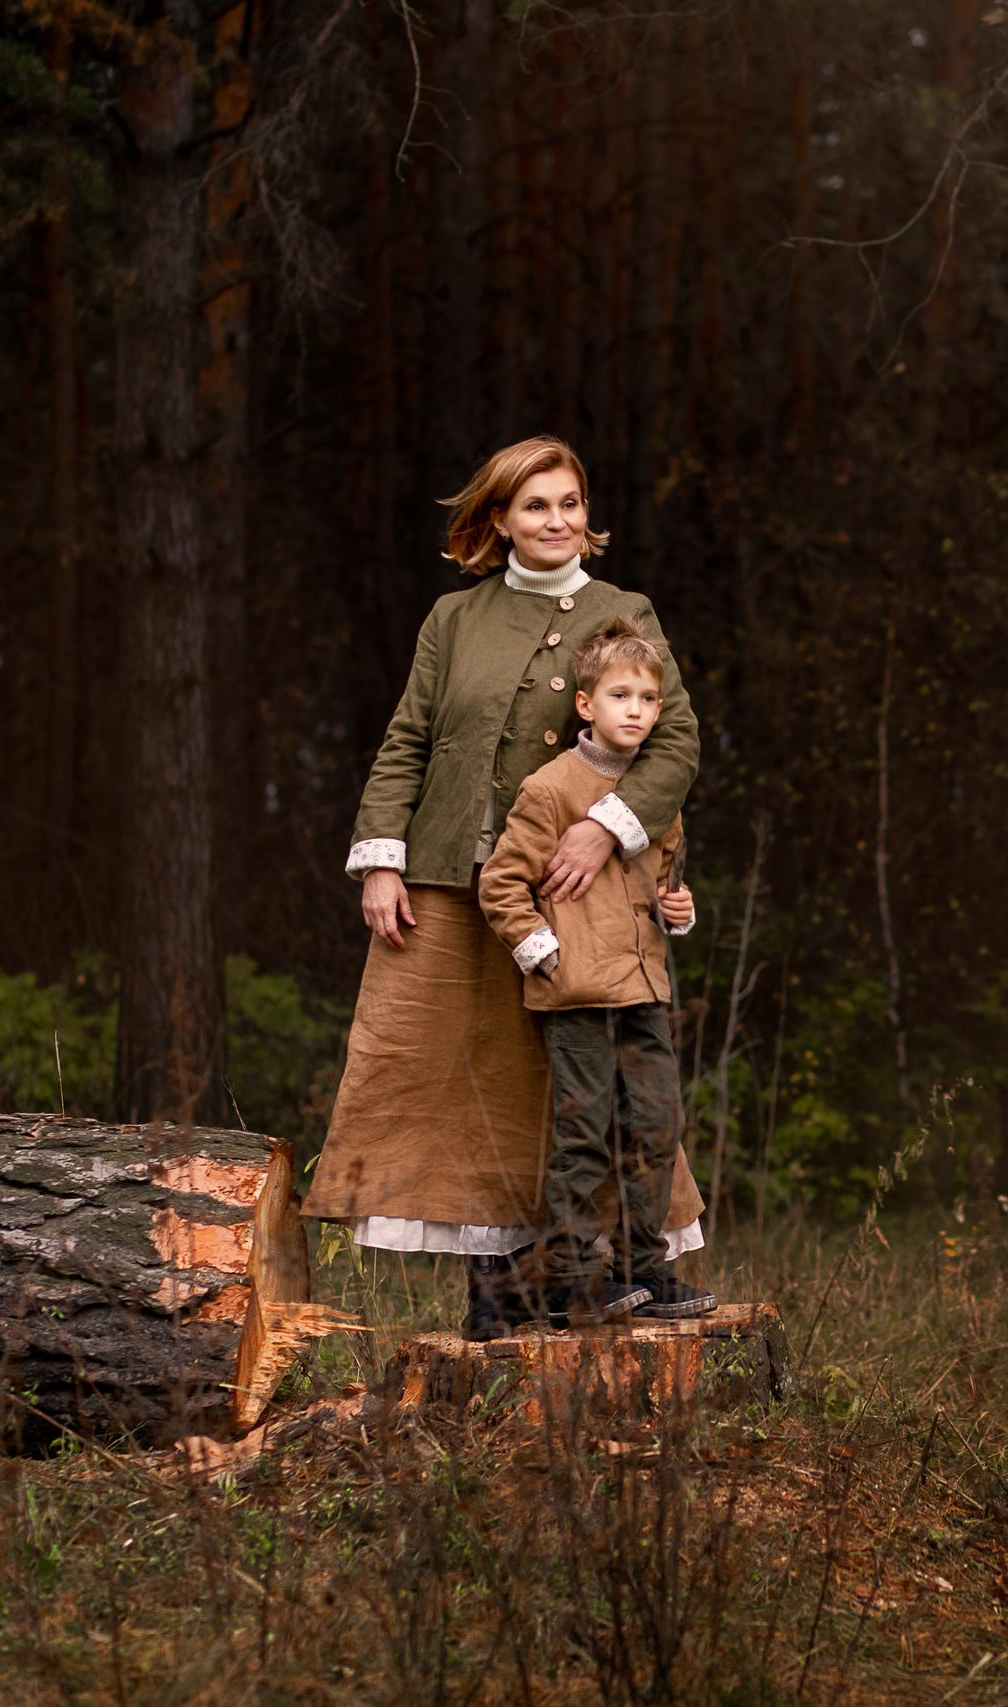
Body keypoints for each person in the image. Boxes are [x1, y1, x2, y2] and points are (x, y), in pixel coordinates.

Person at [302, 436, 706, 1340]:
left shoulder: (621, 608)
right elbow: (409, 738)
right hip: (446, 887)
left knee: (575, 1090)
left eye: (570, 503)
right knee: (455, 1086)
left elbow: (674, 743)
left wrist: (606, 827)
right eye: (536, 506)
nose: (558, 520)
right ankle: (500, 1313)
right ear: (497, 521)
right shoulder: (453, 618)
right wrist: (383, 859)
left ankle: (594, 1286)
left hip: (581, 893)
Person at [480, 619, 721, 1326]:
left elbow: (666, 884)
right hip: (577, 993)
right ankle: (570, 1279)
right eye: (621, 695)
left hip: (645, 991)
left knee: (654, 1128)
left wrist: (680, 908)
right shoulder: (551, 788)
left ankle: (643, 1271)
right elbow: (501, 883)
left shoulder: (659, 795)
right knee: (581, 1132)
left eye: (649, 698)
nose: (637, 710)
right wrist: (542, 952)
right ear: (586, 704)